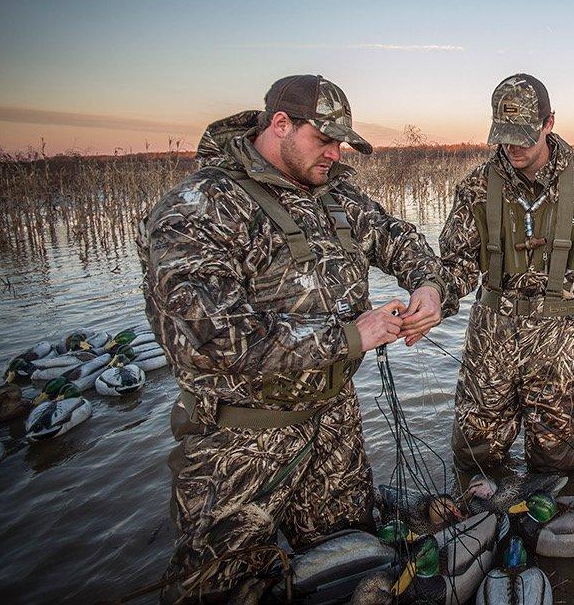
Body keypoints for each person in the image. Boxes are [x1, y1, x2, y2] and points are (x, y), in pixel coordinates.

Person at [137, 74, 450, 603]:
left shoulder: (335, 193)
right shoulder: (202, 206)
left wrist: (430, 287)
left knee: (350, 564)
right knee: (224, 589)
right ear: (280, 124)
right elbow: (209, 335)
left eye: (341, 142)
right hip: (239, 442)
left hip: (334, 425)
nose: (335, 153)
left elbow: (399, 240)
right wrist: (351, 336)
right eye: (324, 139)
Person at [439, 73, 574, 475]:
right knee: (474, 456)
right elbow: (456, 263)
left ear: (549, 123)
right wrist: (432, 300)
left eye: (523, 136)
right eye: (504, 136)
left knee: (557, 462)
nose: (512, 147)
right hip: (491, 336)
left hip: (565, 337)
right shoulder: (475, 185)